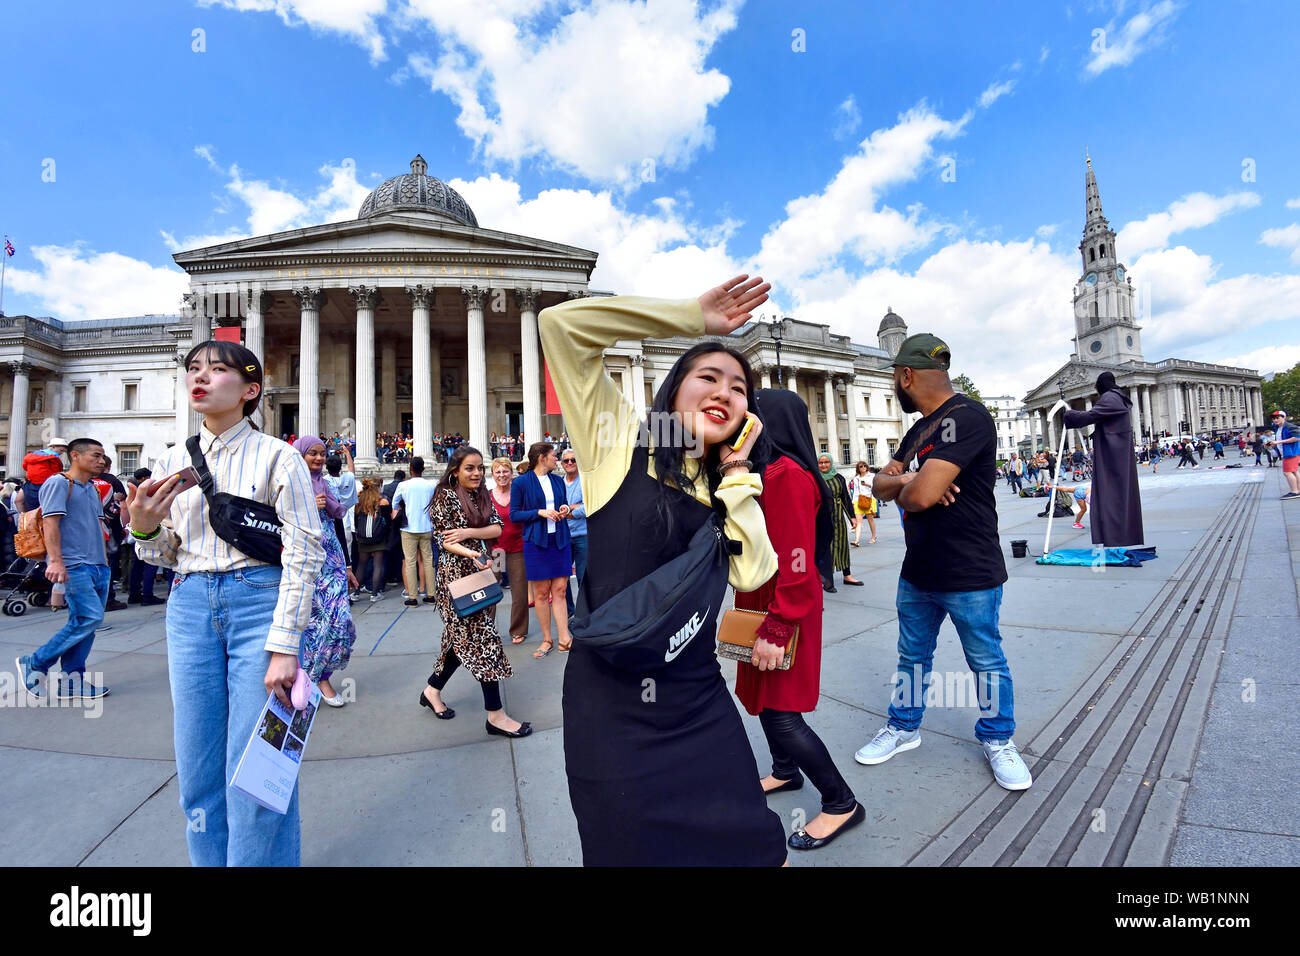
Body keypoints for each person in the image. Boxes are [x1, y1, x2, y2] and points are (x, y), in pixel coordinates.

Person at [539, 274, 785, 867]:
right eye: (708, 376)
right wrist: (693, 318)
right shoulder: (622, 440)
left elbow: (754, 575)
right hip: (613, 704)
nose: (726, 390)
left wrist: (738, 479)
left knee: (755, 848)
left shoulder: (729, 482)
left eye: (740, 388)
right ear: (674, 390)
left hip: (696, 697)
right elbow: (560, 326)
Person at [125, 339, 323, 865]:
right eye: (193, 368)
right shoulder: (170, 460)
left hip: (259, 600)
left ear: (250, 389)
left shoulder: (280, 456)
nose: (201, 376)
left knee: (257, 770)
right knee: (196, 768)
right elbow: (166, 554)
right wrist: (144, 530)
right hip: (189, 604)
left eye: (217, 369)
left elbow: (305, 554)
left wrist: (286, 645)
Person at [853, 332, 1031, 792]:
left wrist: (910, 487)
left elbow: (922, 496)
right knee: (912, 656)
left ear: (906, 376)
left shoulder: (967, 418)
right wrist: (912, 479)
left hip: (969, 569)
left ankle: (999, 739)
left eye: (895, 377)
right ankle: (903, 727)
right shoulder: (918, 430)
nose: (896, 384)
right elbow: (879, 484)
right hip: (918, 570)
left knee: (986, 659)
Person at [737, 389, 864, 850]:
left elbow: (795, 560)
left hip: (785, 604)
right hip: (767, 599)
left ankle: (841, 801)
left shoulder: (786, 474)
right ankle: (786, 772)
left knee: (783, 712)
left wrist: (777, 625)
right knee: (769, 703)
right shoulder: (767, 471)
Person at [421, 446, 532, 738]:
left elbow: (497, 528)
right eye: (470, 468)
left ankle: (431, 690)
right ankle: (495, 715)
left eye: (480, 468)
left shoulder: (482, 493)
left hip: (478, 571)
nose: (477, 473)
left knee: (459, 641)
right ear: (455, 470)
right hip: (455, 579)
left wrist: (469, 534)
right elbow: (445, 540)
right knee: (483, 639)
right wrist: (470, 551)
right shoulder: (444, 496)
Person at [14, 438, 113, 701]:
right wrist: (56, 561)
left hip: (98, 566)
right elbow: (51, 524)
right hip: (74, 564)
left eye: (103, 456)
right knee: (88, 619)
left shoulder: (92, 489)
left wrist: (104, 563)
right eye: (96, 455)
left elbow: (97, 528)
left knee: (85, 624)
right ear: (75, 456)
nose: (101, 461)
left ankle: (72, 681)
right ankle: (35, 662)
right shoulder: (58, 483)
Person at [293, 436, 358, 707]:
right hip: (305, 559)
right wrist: (308, 506)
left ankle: (318, 673)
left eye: (322, 453)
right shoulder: (290, 484)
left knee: (340, 621)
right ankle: (314, 678)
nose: (319, 458)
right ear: (300, 456)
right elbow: (280, 521)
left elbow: (339, 525)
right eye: (312, 454)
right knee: (312, 624)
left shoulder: (327, 484)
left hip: (332, 560)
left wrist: (348, 565)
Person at [1058, 372, 1144, 547]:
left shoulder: (1110, 398)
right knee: (1117, 494)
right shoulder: (1118, 397)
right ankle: (1119, 536)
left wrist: (1068, 415)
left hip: (1112, 455)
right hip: (1117, 452)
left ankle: (1114, 537)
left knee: (1108, 494)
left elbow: (1091, 416)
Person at [511, 442, 573, 657]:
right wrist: (540, 512)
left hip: (560, 539)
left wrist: (563, 509)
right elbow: (515, 515)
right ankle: (547, 639)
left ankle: (565, 638)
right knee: (540, 593)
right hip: (536, 542)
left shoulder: (558, 480)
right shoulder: (521, 483)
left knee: (560, 590)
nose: (557, 459)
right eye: (553, 456)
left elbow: (563, 503)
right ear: (541, 458)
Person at [488, 457, 529, 645]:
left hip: (517, 548)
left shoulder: (519, 494)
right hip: (496, 550)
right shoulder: (487, 497)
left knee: (519, 592)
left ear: (511, 474)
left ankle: (518, 630)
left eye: (505, 471)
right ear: (492, 475)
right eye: (498, 472)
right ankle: (487, 631)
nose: (502, 475)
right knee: (492, 590)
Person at [391, 457, 438, 607]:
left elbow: (394, 503)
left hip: (409, 527)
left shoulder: (404, 485)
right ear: (423, 469)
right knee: (428, 561)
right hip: (426, 526)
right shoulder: (431, 485)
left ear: (410, 469)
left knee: (410, 562)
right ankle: (431, 594)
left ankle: (412, 597)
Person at [816, 454, 863, 591]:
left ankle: (847, 575)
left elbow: (845, 499)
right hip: (822, 517)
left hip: (838, 516)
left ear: (831, 463)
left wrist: (852, 517)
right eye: (820, 463)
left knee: (842, 544)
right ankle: (827, 579)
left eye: (826, 462)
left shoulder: (839, 478)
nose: (823, 465)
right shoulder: (816, 478)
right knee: (827, 547)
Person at [561, 449, 588, 616]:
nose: (570, 463)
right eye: (566, 461)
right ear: (562, 464)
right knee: (562, 578)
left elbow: (588, 508)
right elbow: (554, 508)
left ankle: (585, 612)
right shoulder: (558, 483)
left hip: (583, 535)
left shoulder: (585, 481)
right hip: (563, 536)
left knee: (583, 577)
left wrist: (567, 510)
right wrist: (576, 507)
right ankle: (570, 612)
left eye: (573, 460)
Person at [354, 477, 391, 602]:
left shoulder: (359, 501)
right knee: (378, 565)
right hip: (378, 536)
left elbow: (355, 519)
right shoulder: (382, 502)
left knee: (361, 565)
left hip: (363, 537)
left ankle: (356, 593)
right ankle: (374, 594)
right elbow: (388, 520)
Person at [1267, 410, 1300, 500]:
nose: (1275, 420)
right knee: (1294, 471)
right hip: (1289, 452)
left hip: (1291, 452)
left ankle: (1294, 491)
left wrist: (1279, 442)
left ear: (1284, 417)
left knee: (1287, 472)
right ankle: (1297, 490)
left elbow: (1297, 438)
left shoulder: (1289, 426)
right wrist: (1274, 444)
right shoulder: (1278, 428)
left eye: (1278, 418)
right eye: (1274, 418)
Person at [848, 460, 877, 546]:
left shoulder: (872, 476)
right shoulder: (856, 478)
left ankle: (873, 536)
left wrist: (867, 485)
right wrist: (853, 502)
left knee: (870, 519)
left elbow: (875, 487)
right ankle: (856, 540)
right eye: (861, 466)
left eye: (864, 465)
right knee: (858, 520)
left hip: (869, 499)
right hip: (858, 500)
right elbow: (856, 491)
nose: (863, 467)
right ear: (858, 469)